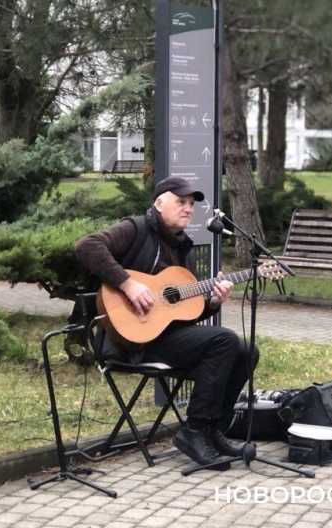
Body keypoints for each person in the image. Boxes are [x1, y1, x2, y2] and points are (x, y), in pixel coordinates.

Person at [75, 177, 258, 470]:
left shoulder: (181, 247)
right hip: (131, 341)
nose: (188, 209)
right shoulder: (135, 228)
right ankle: (193, 431)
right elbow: (87, 246)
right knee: (224, 340)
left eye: (191, 204)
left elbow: (182, 310)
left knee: (247, 351)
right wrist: (127, 284)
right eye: (180, 202)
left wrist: (212, 302)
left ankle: (213, 430)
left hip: (166, 336)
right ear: (159, 203)